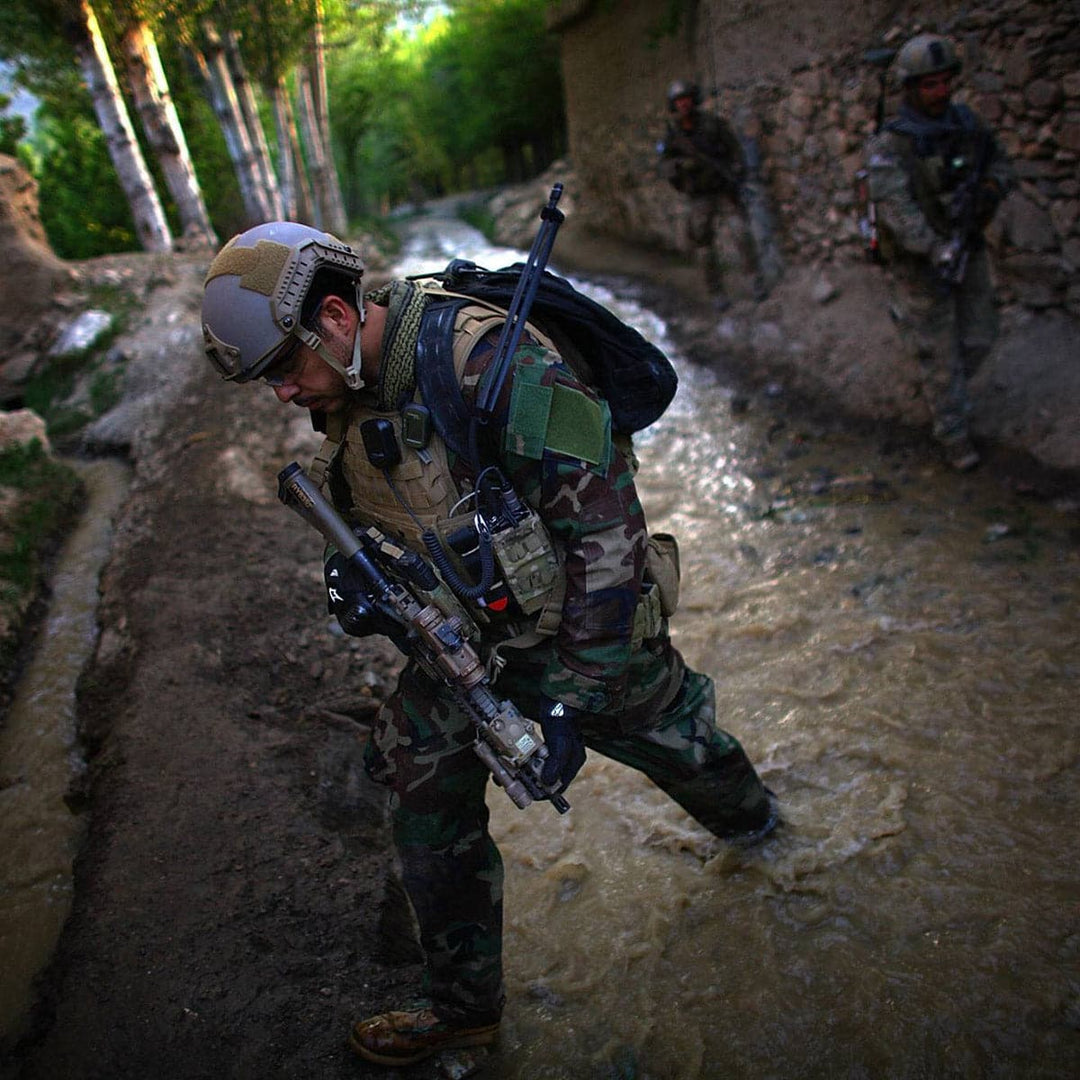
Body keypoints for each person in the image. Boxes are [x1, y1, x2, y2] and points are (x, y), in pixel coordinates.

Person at [201, 221, 778, 1066]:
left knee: (689, 751)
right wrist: (350, 578)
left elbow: (608, 536)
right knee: (416, 779)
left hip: (590, 631)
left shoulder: (486, 361)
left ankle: (769, 841)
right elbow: (382, 490)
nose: (283, 396)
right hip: (468, 643)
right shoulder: (346, 376)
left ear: (332, 315)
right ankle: (465, 1008)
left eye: (284, 371)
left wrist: (573, 701)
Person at [863, 33, 1015, 471]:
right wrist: (934, 248)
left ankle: (943, 394)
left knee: (981, 335)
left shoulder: (968, 127)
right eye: (929, 84)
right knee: (939, 351)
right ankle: (952, 434)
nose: (940, 91)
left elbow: (1001, 165)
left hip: (966, 246)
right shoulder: (891, 144)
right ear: (911, 88)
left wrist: (989, 190)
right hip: (920, 265)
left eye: (945, 81)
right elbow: (897, 210)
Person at [658, 79, 767, 309]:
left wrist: (735, 171)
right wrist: (682, 166)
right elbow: (665, 166)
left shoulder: (712, 124)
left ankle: (755, 281)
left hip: (723, 190)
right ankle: (716, 292)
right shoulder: (673, 135)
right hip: (699, 196)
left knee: (741, 234)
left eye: (686, 98)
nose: (684, 104)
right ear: (673, 105)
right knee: (705, 247)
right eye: (679, 101)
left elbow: (734, 150)